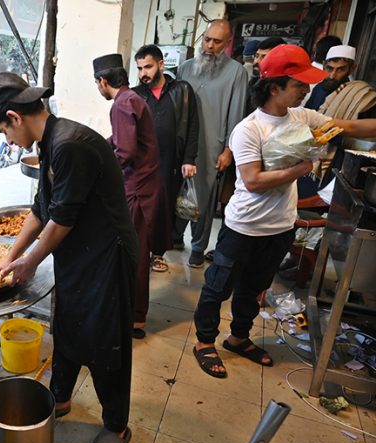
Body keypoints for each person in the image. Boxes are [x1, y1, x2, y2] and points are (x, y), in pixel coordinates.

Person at [0, 72, 138, 443]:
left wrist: (30, 262)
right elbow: (41, 209)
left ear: (15, 117)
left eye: (3, 130)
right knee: (68, 325)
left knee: (105, 344)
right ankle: (62, 398)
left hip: (106, 256)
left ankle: (117, 424)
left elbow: (62, 220)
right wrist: (9, 255)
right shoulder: (51, 141)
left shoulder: (70, 145)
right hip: (79, 254)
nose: (7, 140)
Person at [191, 44, 376, 378]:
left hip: (279, 227)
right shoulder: (249, 129)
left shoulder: (303, 118)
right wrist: (302, 167)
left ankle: (239, 337)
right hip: (244, 226)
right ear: (274, 87)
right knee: (218, 286)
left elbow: (346, 127)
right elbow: (254, 179)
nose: (307, 90)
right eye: (298, 84)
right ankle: (204, 342)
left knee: (255, 287)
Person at [93, 53, 166, 340]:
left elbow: (125, 153)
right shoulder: (132, 98)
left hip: (138, 189)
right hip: (145, 185)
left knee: (134, 254)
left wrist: (98, 172)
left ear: (103, 81)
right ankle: (131, 311)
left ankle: (134, 318)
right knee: (134, 251)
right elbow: (124, 140)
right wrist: (100, 143)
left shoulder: (121, 104)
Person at [177, 19, 248, 268]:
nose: (209, 46)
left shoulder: (237, 73)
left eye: (217, 41)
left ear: (227, 44)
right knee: (177, 189)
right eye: (207, 39)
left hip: (211, 145)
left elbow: (236, 115)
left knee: (204, 197)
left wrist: (229, 149)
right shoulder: (185, 68)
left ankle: (198, 246)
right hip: (181, 143)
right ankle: (175, 237)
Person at [132, 44, 199, 268]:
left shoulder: (182, 90)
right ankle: (139, 251)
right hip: (142, 163)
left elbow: (192, 126)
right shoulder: (135, 94)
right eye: (139, 68)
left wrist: (189, 158)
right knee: (142, 208)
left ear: (161, 65)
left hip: (171, 160)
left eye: (148, 67)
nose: (143, 73)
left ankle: (158, 253)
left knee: (165, 207)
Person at [305, 45, 357, 110]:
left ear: (351, 69)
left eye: (340, 70)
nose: (332, 76)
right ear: (324, 66)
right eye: (329, 68)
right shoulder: (318, 88)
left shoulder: (353, 97)